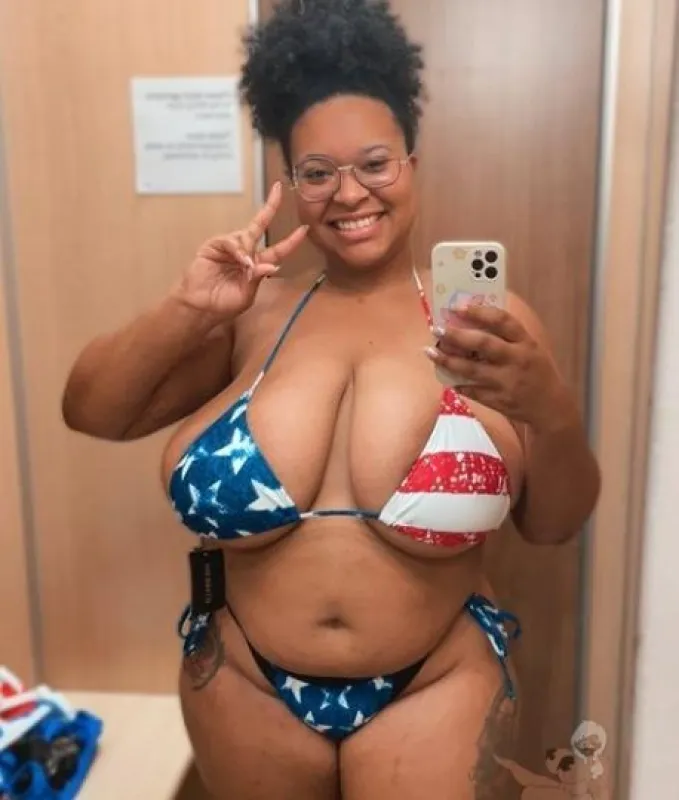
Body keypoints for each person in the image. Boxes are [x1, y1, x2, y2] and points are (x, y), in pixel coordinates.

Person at [61, 0, 601, 797]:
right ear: (290, 184)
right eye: (317, 173)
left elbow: (552, 525)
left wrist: (548, 408)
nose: (349, 194)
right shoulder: (251, 317)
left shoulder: (489, 321)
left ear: (411, 161)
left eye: (374, 164)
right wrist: (188, 308)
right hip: (242, 684)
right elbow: (93, 412)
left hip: (436, 683)